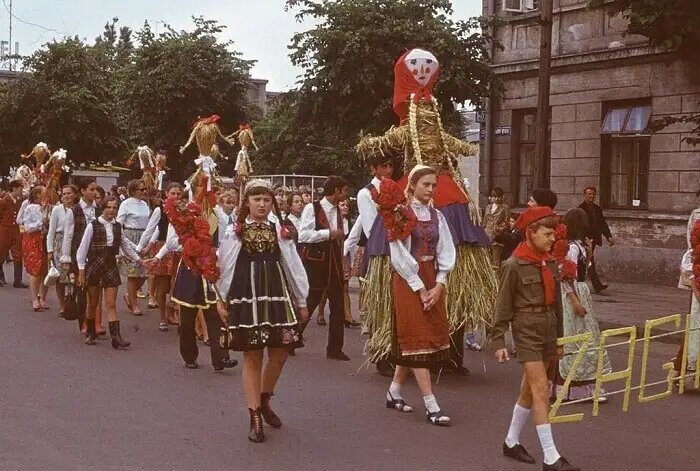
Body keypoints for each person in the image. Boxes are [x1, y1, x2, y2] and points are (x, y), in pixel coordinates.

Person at [216, 179, 309, 443]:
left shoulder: (279, 228)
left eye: (266, 199)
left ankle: (265, 398)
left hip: (276, 293)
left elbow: (292, 263)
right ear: (247, 202)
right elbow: (226, 264)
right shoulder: (236, 230)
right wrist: (221, 298)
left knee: (280, 353)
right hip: (248, 294)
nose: (262, 204)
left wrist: (301, 300)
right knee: (253, 355)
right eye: (256, 199)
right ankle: (254, 414)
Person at [492, 206, 579, 471]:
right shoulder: (514, 265)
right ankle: (551, 457)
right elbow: (502, 306)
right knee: (541, 390)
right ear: (531, 233)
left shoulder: (550, 262)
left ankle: (510, 442)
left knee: (529, 390)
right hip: (526, 329)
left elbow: (557, 306)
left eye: (554, 234)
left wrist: (560, 340)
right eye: (548, 234)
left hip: (548, 329)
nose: (553, 238)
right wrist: (498, 342)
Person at [384, 165, 455, 426]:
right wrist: (420, 287)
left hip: (431, 274)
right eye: (426, 184)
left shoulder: (438, 216)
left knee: (419, 337)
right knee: (416, 337)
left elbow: (446, 250)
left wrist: (439, 284)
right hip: (407, 279)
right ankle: (431, 404)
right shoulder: (400, 214)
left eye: (433, 185)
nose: (430, 189)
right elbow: (399, 255)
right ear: (412, 185)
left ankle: (394, 392)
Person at [147, 209, 237, 373]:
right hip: (191, 268)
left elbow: (225, 240)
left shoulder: (218, 215)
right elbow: (171, 242)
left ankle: (221, 357)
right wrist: (163, 255)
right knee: (188, 318)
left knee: (216, 315)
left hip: (210, 265)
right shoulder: (183, 217)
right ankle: (189, 356)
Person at [557, 208, 611, 402]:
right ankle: (573, 386)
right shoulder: (570, 247)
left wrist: (588, 253)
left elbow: (583, 271)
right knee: (576, 338)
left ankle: (587, 383)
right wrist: (575, 302)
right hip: (574, 293)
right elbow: (566, 277)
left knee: (588, 337)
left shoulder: (578, 246)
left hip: (582, 290)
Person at [350, 154, 396, 376]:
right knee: (381, 304)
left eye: (390, 165)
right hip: (379, 250)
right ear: (374, 169)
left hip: (396, 248)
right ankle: (381, 355)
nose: (388, 169)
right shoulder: (366, 193)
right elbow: (370, 228)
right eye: (383, 166)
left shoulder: (397, 188)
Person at [298, 176, 351, 361]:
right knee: (311, 301)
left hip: (334, 263)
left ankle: (335, 348)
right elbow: (303, 235)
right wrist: (329, 233)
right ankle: (291, 338)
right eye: (344, 191)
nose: (346, 195)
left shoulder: (339, 211)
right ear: (336, 191)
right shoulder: (312, 208)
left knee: (337, 306)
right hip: (316, 262)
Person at [77, 196, 140, 348]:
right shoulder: (93, 225)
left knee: (111, 303)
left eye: (114, 208)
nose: (112, 210)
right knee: (93, 303)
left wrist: (139, 259)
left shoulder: (118, 226)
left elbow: (125, 245)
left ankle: (116, 338)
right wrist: (81, 271)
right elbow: (82, 250)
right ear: (103, 208)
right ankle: (91, 332)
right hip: (94, 265)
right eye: (109, 207)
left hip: (110, 265)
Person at [138, 183, 183, 331]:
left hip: (179, 249)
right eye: (173, 193)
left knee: (177, 285)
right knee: (162, 286)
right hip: (163, 247)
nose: (176, 197)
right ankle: (163, 317)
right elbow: (152, 229)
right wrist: (141, 247)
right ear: (166, 194)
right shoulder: (160, 210)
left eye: (178, 194)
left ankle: (173, 313)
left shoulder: (184, 210)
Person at [62, 179, 101, 333]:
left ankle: (94, 322)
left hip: (95, 253)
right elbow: (68, 234)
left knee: (95, 288)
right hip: (79, 253)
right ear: (83, 191)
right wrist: (66, 257)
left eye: (96, 189)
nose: (95, 192)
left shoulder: (98, 209)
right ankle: (82, 321)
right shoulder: (75, 210)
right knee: (81, 288)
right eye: (91, 189)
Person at [117, 179, 151, 315]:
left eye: (144, 189)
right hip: (130, 234)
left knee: (145, 272)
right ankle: (134, 302)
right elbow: (119, 222)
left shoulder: (144, 204)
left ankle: (129, 295)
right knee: (133, 273)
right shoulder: (125, 204)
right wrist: (122, 242)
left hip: (143, 235)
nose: (144, 192)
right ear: (133, 191)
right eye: (141, 190)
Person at [47, 184, 78, 317]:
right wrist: (49, 250)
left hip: (75, 243)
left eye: (69, 193)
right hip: (59, 243)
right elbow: (51, 231)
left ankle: (73, 300)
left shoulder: (78, 209)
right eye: (64, 194)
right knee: (60, 276)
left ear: (75, 195)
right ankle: (62, 305)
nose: (66, 196)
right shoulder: (57, 210)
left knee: (75, 274)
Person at [19, 186, 49, 311]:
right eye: (44, 193)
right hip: (33, 240)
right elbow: (27, 227)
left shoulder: (49, 207)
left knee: (45, 269)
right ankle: (35, 299)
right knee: (35, 270)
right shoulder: (30, 208)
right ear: (37, 195)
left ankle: (43, 298)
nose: (47, 195)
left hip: (46, 239)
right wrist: (41, 222)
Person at [578, 187, 614, 293]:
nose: (591, 196)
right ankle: (595, 284)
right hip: (585, 239)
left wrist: (609, 236)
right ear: (584, 195)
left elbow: (602, 224)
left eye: (593, 194)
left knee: (587, 261)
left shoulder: (597, 209)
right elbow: (579, 225)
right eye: (589, 194)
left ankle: (590, 283)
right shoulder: (580, 209)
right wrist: (581, 239)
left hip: (594, 239)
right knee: (588, 261)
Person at [0, 180, 27, 288]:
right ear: (14, 188)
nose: (21, 190)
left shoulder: (20, 201)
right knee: (1, 253)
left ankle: (18, 281)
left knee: (18, 254)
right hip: (4, 229)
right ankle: (1, 277)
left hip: (16, 229)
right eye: (20, 188)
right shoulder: (3, 201)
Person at [339, 199, 360, 328]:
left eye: (347, 205)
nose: (345, 207)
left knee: (345, 286)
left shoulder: (350, 223)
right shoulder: (331, 221)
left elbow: (352, 243)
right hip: (333, 257)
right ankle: (320, 313)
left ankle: (348, 316)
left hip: (344, 258)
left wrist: (351, 261)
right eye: (342, 204)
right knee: (326, 290)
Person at [483, 187, 510, 268]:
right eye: (494, 196)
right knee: (486, 258)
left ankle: (496, 278)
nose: (496, 199)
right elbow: (485, 220)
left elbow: (506, 221)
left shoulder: (505, 207)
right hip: (486, 234)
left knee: (496, 259)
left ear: (502, 197)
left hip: (497, 235)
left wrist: (500, 229)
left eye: (498, 196)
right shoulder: (488, 207)